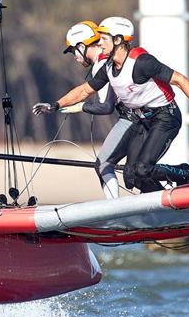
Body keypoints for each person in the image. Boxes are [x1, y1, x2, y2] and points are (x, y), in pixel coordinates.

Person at [33, 16, 189, 193]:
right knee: (132, 177)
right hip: (142, 119)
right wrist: (55, 105)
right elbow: (84, 91)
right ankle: (161, 211)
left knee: (142, 169)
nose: (100, 43)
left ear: (118, 40)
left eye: (104, 39)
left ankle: (187, 173)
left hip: (166, 117)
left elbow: (180, 80)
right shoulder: (108, 67)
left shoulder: (142, 62)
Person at [51, 21, 138, 199]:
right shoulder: (104, 60)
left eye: (73, 51)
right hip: (137, 118)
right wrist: (57, 105)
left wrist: (81, 107)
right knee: (136, 174)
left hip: (133, 119)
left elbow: (105, 106)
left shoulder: (102, 63)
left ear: (82, 46)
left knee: (104, 165)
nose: (74, 56)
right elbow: (83, 91)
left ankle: (114, 210)